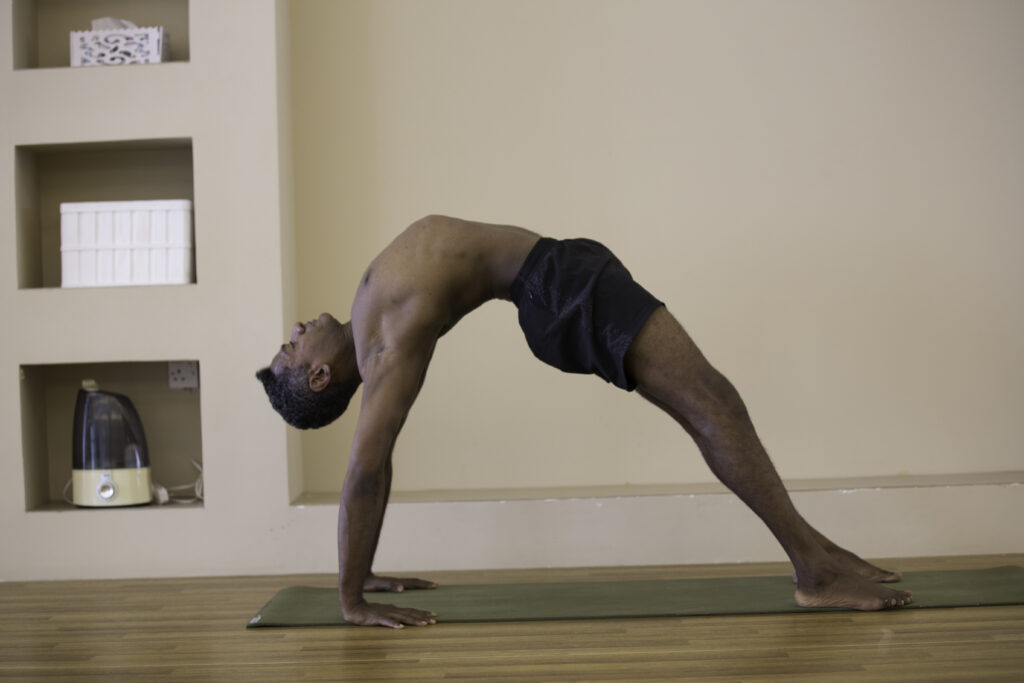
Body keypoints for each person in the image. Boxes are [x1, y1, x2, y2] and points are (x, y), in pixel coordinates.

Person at [257, 215, 912, 628]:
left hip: (560, 276)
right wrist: (352, 597)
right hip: (559, 289)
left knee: (711, 407)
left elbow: (375, 465)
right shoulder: (382, 344)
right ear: (318, 377)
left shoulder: (373, 323)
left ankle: (815, 549)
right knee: (714, 404)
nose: (296, 330)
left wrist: (361, 570)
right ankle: (814, 573)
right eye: (292, 349)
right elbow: (366, 467)